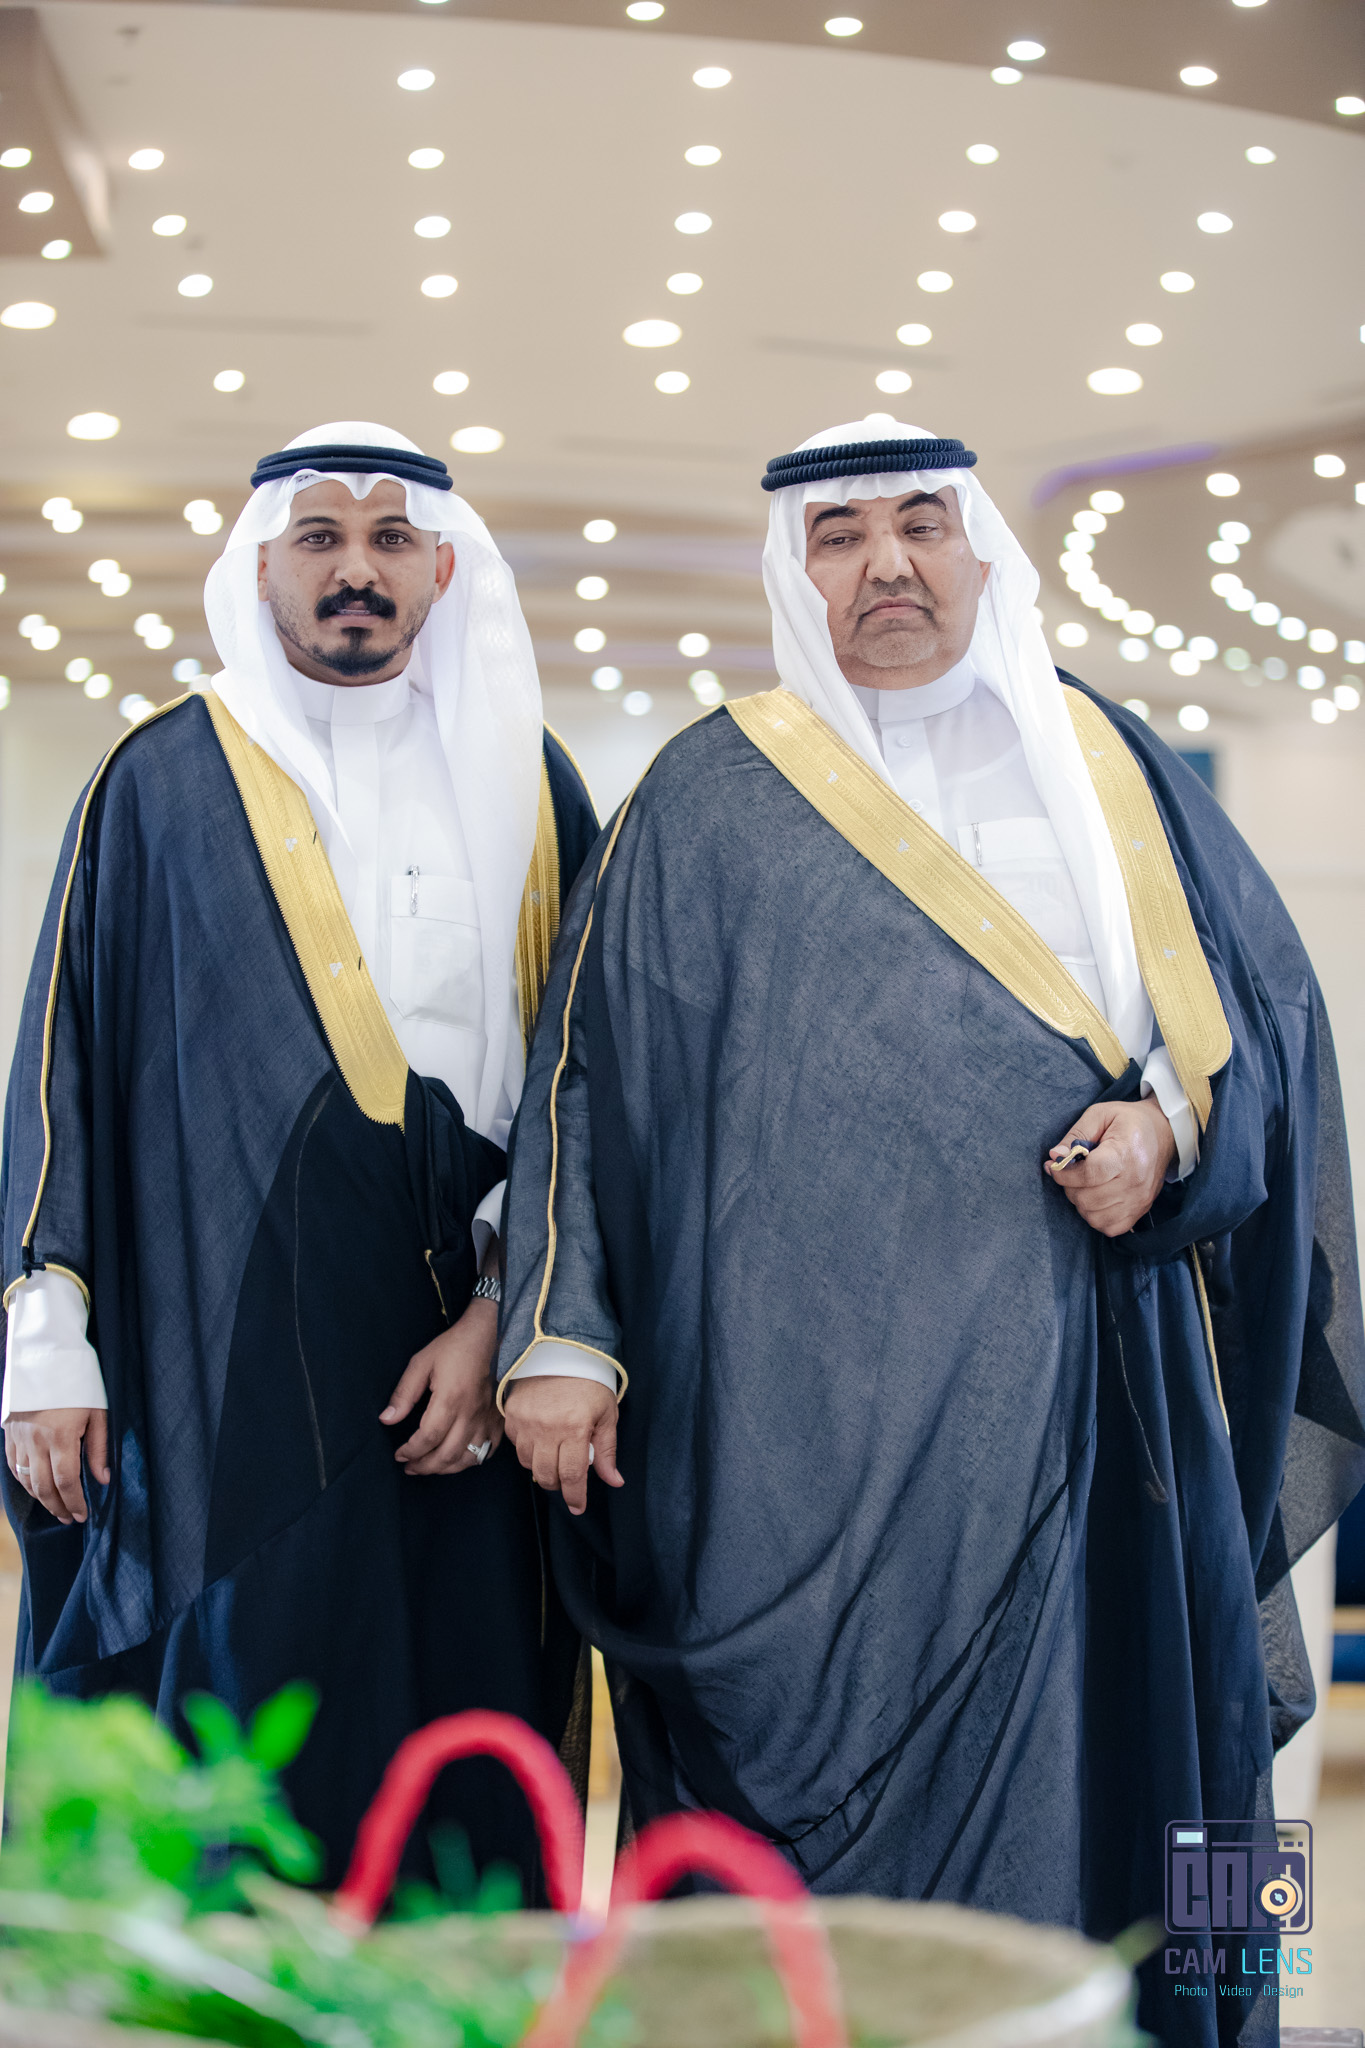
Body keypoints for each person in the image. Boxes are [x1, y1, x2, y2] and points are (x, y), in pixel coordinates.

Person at [497, 420, 1365, 2043]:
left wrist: (1166, 1131)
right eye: (837, 536)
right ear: (794, 570)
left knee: (1143, 1781)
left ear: (979, 551)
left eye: (919, 523)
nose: (884, 564)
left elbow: (1261, 1033)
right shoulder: (707, 793)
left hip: (1091, 1405)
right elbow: (585, 1075)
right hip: (786, 1428)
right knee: (788, 1795)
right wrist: (563, 1333)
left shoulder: (1107, 766)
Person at [0, 423, 598, 1893]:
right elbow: (66, 1059)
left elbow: (586, 1083)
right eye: (319, 538)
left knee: (455, 1726)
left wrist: (503, 1317)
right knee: (241, 1711)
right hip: (220, 1354)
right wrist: (48, 1339)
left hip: (467, 1349)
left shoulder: (533, 786)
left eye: (390, 540)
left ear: (442, 568)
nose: (355, 571)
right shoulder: (161, 778)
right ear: (261, 564)